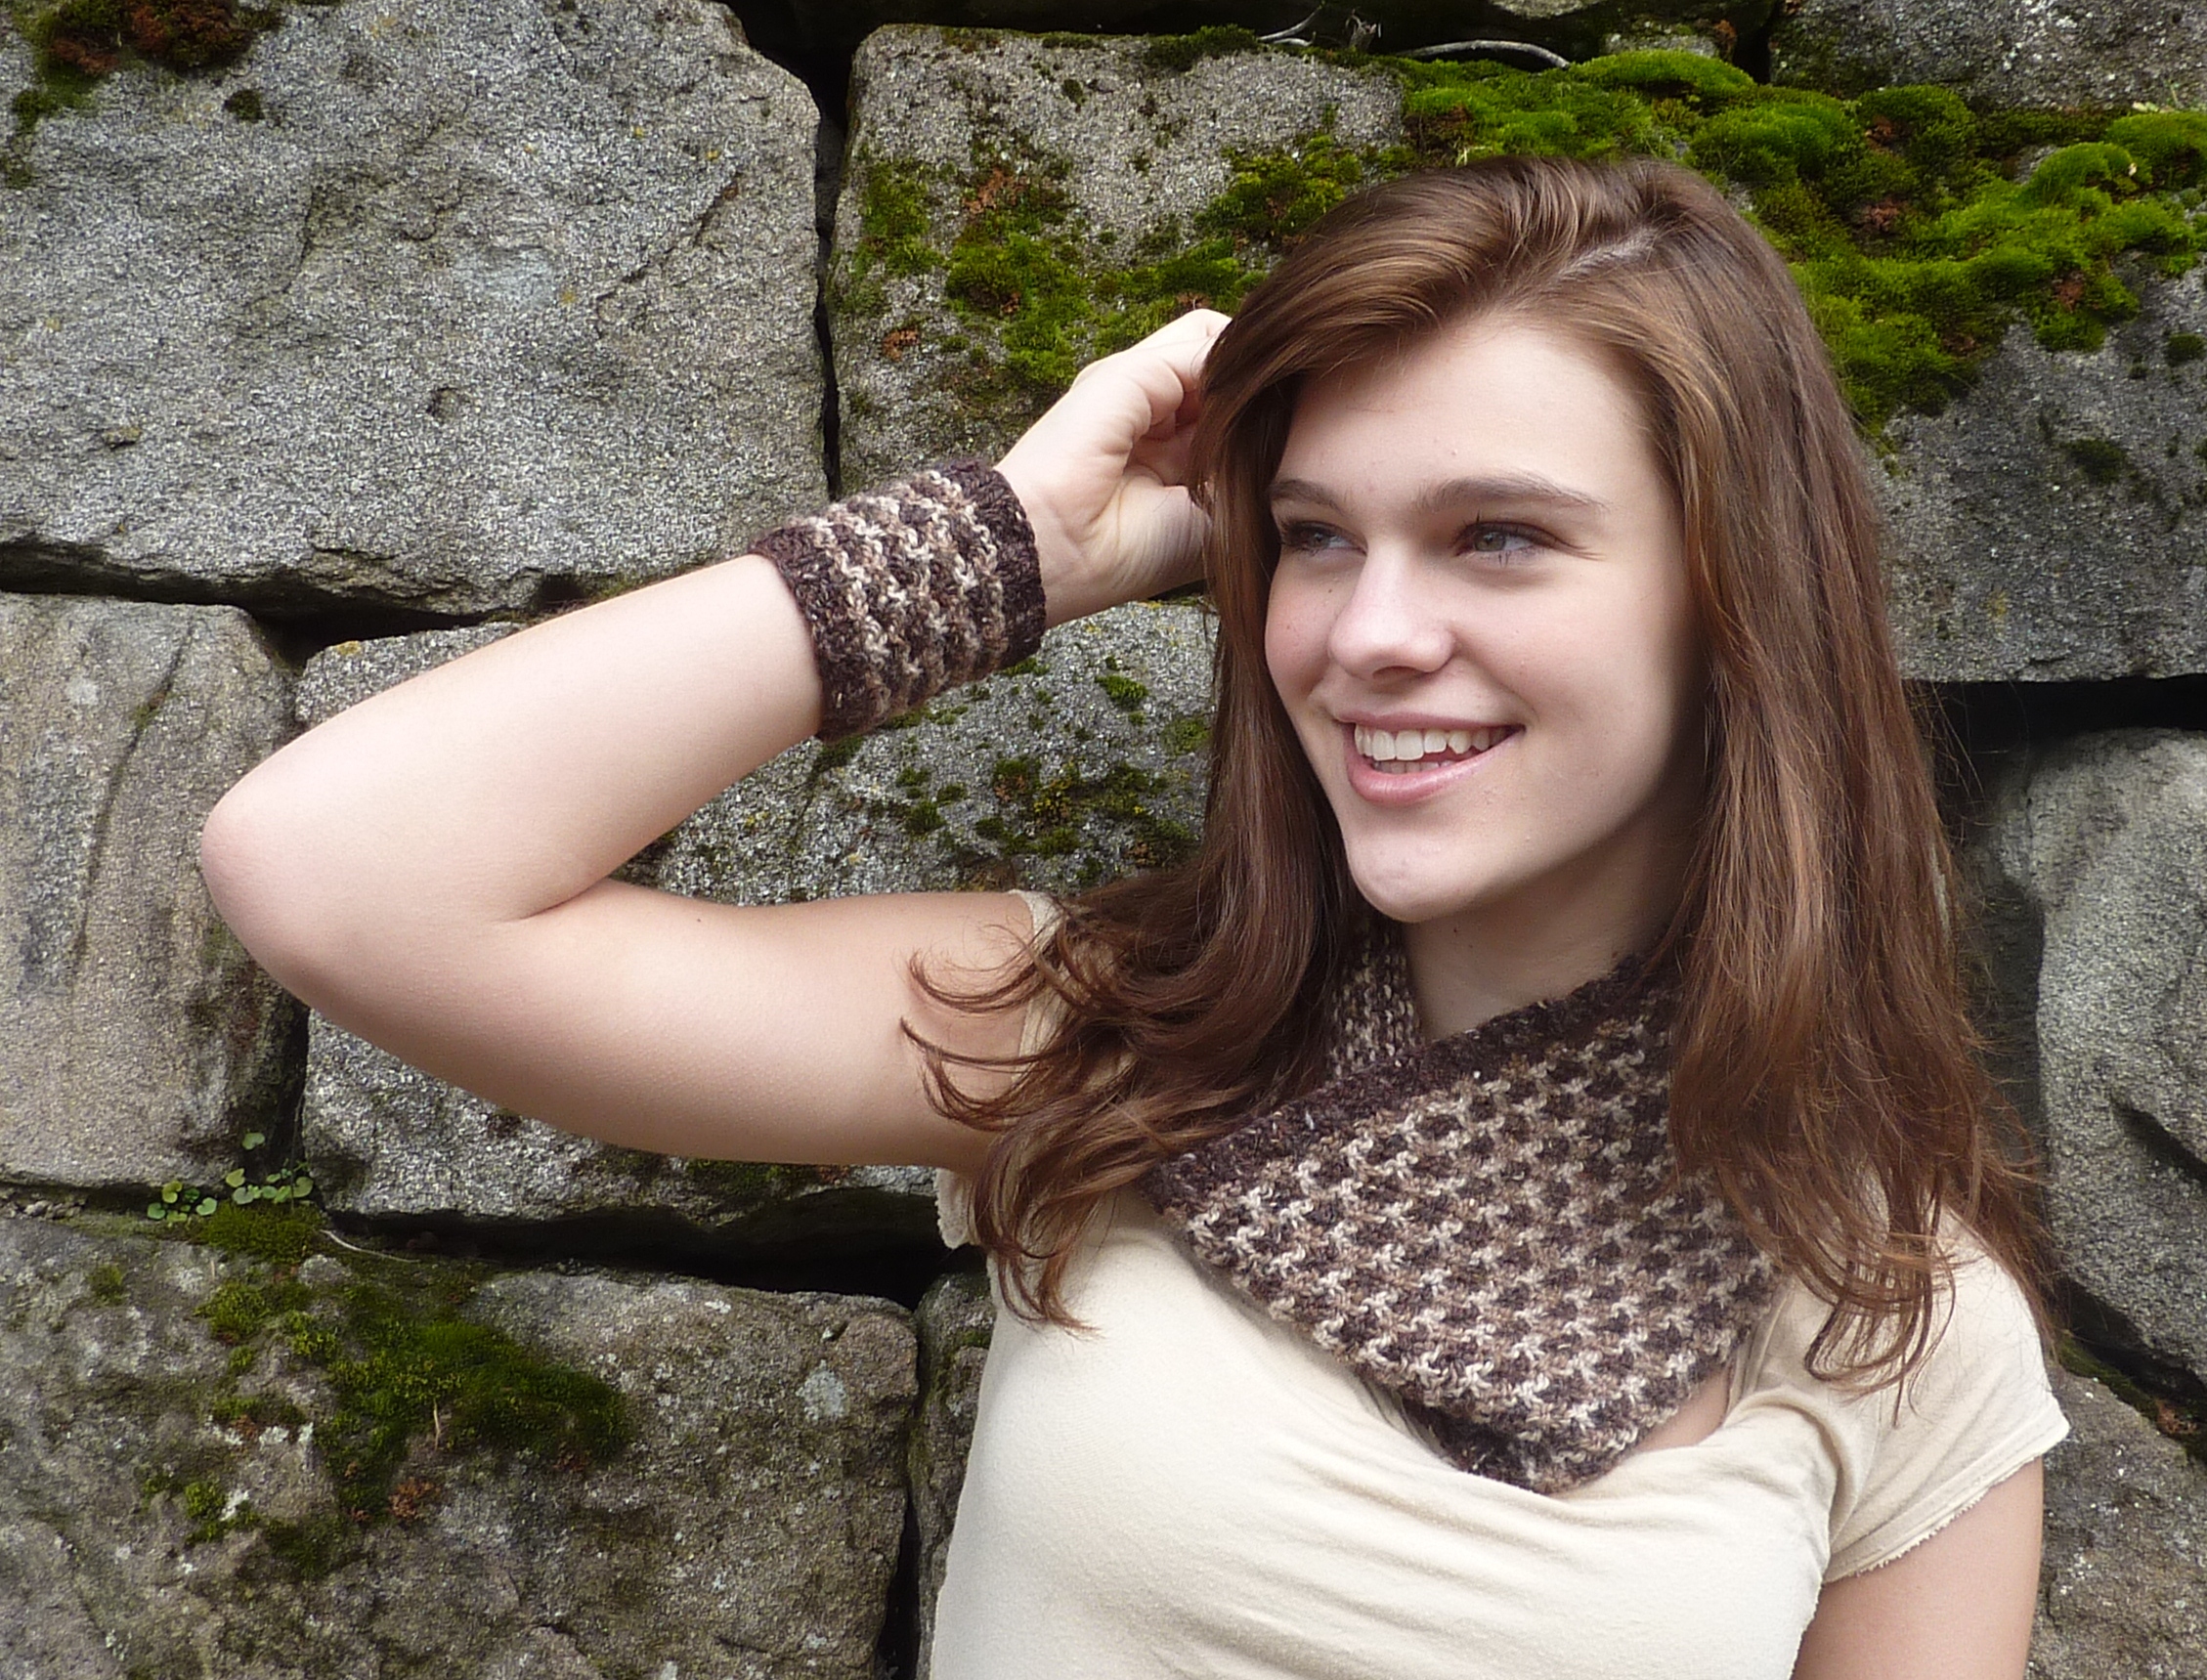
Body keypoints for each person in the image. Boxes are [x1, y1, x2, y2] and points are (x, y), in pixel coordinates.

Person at [200, 155, 2067, 1678]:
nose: (1365, 633)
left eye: (1498, 535)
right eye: (1314, 535)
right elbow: (341, 874)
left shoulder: (1897, 1309)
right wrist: (1012, 540)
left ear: (1737, 600)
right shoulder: (1108, 1036)